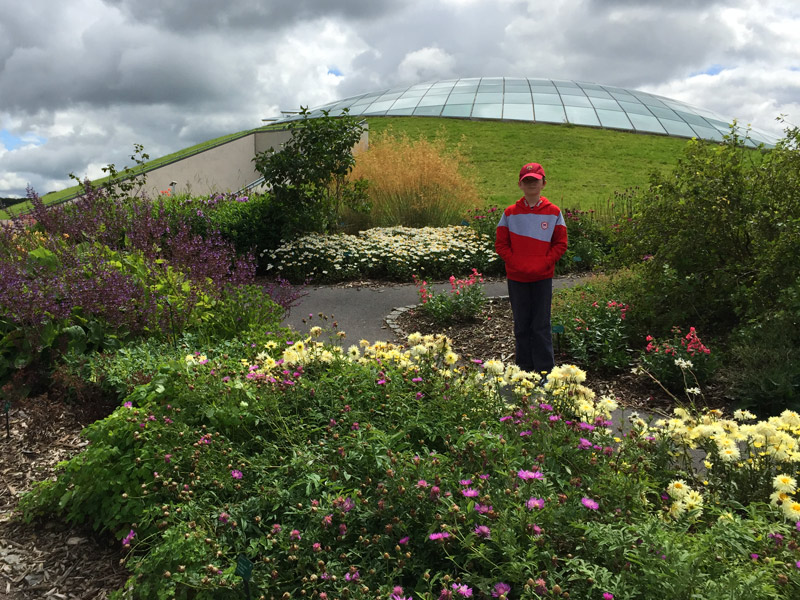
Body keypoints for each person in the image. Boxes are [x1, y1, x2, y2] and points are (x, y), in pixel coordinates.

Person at [495, 162, 568, 378]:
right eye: (527, 181)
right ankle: (524, 371)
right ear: (520, 185)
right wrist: (515, 263)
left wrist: (545, 262)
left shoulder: (554, 212)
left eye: (535, 181)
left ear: (543, 183)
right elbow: (501, 244)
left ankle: (545, 372)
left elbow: (560, 244)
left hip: (542, 277)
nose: (531, 184)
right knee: (521, 325)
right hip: (517, 278)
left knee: (541, 325)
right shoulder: (510, 213)